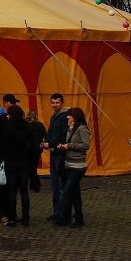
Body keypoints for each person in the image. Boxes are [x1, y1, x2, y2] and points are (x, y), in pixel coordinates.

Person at [56, 107, 90, 228]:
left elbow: (86, 145)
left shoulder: (82, 128)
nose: (67, 117)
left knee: (65, 192)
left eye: (69, 115)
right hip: (69, 165)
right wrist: (63, 146)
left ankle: (64, 216)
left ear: (74, 116)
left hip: (78, 166)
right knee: (75, 192)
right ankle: (78, 218)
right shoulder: (71, 129)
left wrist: (69, 146)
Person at [1, 105, 33, 227]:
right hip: (24, 162)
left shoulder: (8, 127)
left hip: (11, 162)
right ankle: (26, 218)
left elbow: (3, 145)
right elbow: (32, 144)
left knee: (12, 191)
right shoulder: (27, 126)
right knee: (24, 192)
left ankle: (12, 218)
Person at [0, 93, 19, 222]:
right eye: (12, 103)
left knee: (11, 186)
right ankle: (1, 213)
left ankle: (11, 211)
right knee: (0, 184)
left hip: (12, 157)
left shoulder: (13, 119)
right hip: (1, 157)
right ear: (6, 103)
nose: (14, 105)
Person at [41, 93, 69, 222]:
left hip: (61, 154)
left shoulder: (64, 117)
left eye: (57, 102)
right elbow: (50, 133)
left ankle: (63, 213)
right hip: (54, 153)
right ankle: (57, 212)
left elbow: (63, 136)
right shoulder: (54, 117)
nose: (54, 105)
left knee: (62, 184)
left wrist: (50, 143)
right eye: (52, 103)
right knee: (55, 185)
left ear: (62, 103)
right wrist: (45, 142)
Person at [26, 110, 47, 192]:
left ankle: (35, 184)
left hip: (28, 148)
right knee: (34, 166)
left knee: (30, 166)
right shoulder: (40, 125)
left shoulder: (27, 125)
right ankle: (35, 183)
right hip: (37, 148)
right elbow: (45, 136)